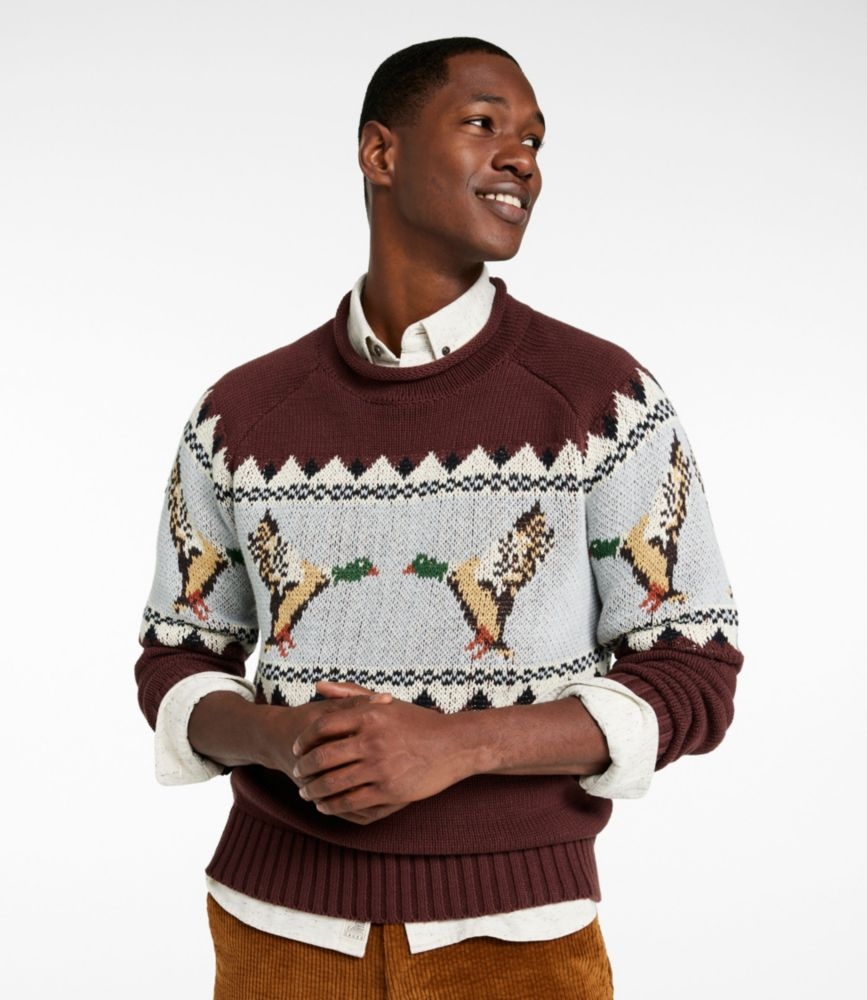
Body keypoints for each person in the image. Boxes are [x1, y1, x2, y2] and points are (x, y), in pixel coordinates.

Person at [135, 37, 742, 1000]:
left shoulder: (601, 400)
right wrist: (278, 737)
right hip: (272, 933)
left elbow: (693, 672)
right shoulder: (240, 415)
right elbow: (175, 657)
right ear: (380, 153)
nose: (521, 159)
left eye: (533, 140)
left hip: (517, 941)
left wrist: (459, 744)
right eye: (483, 123)